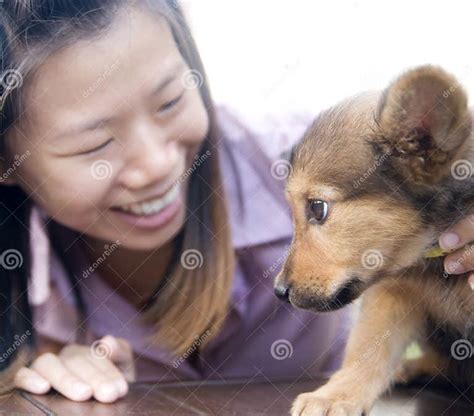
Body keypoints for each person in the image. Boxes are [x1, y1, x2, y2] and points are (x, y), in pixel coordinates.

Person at [0, 0, 350, 403]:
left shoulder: (307, 164)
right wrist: (93, 391)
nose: (156, 165)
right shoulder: (30, 295)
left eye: (170, 102)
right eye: (95, 144)